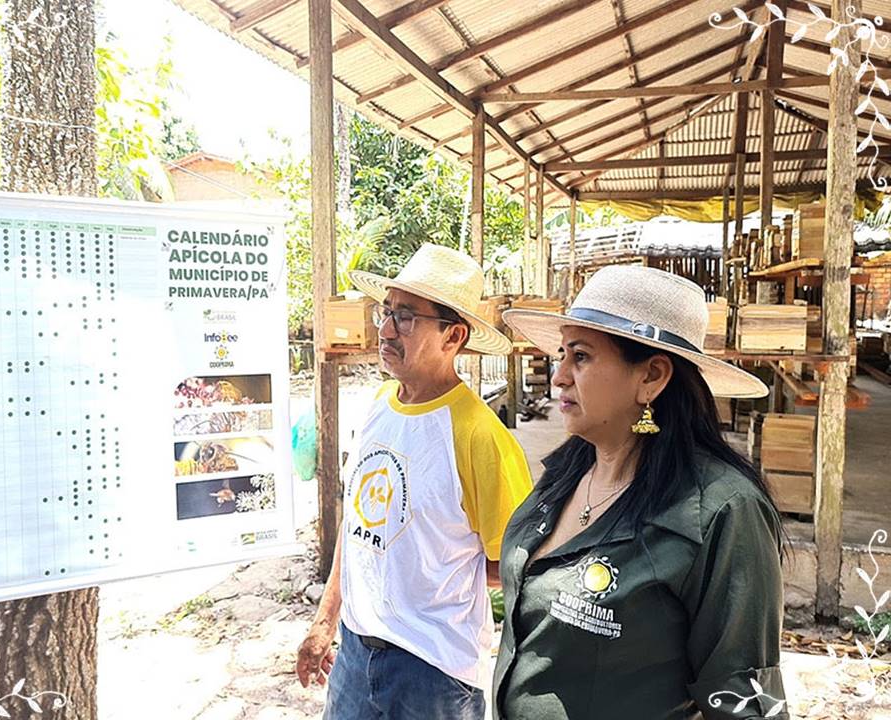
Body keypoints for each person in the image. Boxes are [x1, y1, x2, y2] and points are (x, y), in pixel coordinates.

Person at [494, 265, 788, 720]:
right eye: (562, 354)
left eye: (582, 357)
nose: (559, 377)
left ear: (651, 376)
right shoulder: (567, 472)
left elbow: (744, 698)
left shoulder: (721, 511)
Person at [296, 243, 533, 720]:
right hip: (355, 658)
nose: (384, 329)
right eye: (387, 311)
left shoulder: (480, 437)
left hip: (434, 675)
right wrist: (327, 619)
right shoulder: (379, 404)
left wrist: (436, 574)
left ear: (454, 337)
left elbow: (511, 563)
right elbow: (359, 523)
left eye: (405, 317)